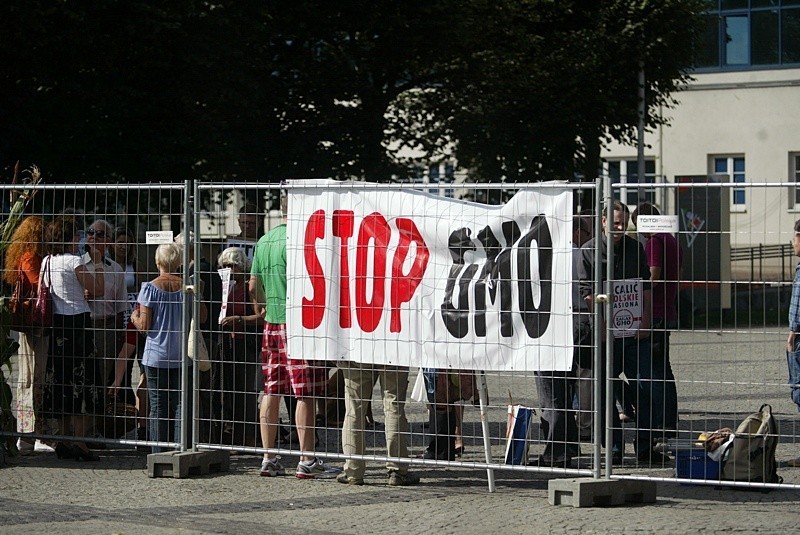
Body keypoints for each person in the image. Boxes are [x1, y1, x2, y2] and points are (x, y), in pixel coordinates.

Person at [249, 191, 339, 478]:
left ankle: (268, 457)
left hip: (272, 323)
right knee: (305, 393)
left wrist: (260, 307)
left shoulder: (264, 241)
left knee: (271, 390)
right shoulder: (301, 241)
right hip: (300, 325)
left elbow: (252, 285)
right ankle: (307, 459)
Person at [578, 200, 663, 465]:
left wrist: (646, 321)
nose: (619, 228)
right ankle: (614, 448)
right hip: (604, 335)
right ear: (602, 222)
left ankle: (646, 446)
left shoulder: (635, 248)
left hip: (635, 333)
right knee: (604, 391)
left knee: (647, 387)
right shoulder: (588, 251)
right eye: (614, 223)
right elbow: (586, 294)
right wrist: (602, 321)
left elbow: (644, 288)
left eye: (623, 223)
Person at [42, 215, 105, 461]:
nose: (80, 239)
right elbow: (97, 289)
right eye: (77, 235)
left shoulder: (47, 261)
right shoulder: (73, 261)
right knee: (81, 380)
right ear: (69, 237)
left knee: (61, 380)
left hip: (58, 325)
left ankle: (63, 438)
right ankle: (79, 440)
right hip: (78, 324)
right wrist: (97, 263)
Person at [531, 214, 592, 467]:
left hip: (553, 325)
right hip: (580, 324)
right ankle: (568, 445)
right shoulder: (581, 254)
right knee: (567, 390)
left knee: (550, 392)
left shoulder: (547, 257)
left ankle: (557, 452)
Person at [132, 243, 204, 452]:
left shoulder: (149, 288)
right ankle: (180, 450)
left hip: (156, 355)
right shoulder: (188, 287)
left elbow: (145, 326)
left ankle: (158, 453)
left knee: (158, 406)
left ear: (157, 262)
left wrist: (135, 317)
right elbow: (203, 317)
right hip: (184, 355)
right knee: (182, 405)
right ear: (180, 262)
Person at [632, 202, 682, 442]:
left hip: (656, 312)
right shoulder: (671, 239)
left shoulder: (654, 242)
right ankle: (669, 423)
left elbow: (653, 276)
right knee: (665, 371)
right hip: (668, 308)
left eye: (638, 226)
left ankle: (661, 424)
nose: (639, 233)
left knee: (654, 372)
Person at [6, 215, 53, 453]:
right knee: (35, 376)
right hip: (35, 324)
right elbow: (39, 286)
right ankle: (32, 434)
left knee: (30, 376)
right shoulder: (31, 257)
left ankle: (27, 435)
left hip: (30, 323)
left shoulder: (22, 255)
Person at [337, 363, 420, 486]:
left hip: (357, 350)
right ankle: (397, 470)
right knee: (393, 405)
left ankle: (353, 471)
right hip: (392, 350)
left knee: (354, 409)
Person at [216, 247, 264, 447]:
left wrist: (240, 319)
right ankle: (230, 437)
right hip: (225, 344)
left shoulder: (248, 287)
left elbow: (261, 316)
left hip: (246, 344)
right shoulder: (221, 286)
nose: (229, 270)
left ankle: (250, 437)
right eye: (225, 266)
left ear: (242, 268)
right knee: (226, 390)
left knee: (246, 392)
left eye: (233, 266)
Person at [85, 219, 128, 397]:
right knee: (82, 377)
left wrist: (118, 336)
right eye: (91, 232)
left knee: (102, 378)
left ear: (109, 241)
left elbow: (121, 307)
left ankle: (99, 420)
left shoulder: (116, 269)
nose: (94, 237)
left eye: (100, 234)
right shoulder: (77, 264)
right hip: (83, 326)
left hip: (106, 329)